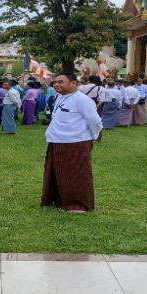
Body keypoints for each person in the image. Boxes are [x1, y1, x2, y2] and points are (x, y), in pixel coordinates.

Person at [41, 73, 103, 213]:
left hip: (75, 142)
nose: (56, 85)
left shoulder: (82, 100)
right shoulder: (60, 97)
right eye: (55, 82)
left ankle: (78, 204)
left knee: (76, 173)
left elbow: (94, 121)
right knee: (56, 172)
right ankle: (57, 199)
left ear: (74, 83)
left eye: (61, 82)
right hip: (57, 140)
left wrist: (92, 137)